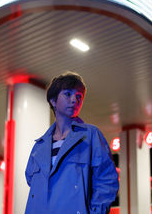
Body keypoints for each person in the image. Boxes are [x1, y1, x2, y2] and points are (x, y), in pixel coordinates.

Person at [25, 71, 119, 214]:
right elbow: (32, 182)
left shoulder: (91, 135)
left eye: (79, 96)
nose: (74, 100)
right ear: (53, 100)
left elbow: (107, 180)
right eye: (68, 94)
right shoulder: (39, 146)